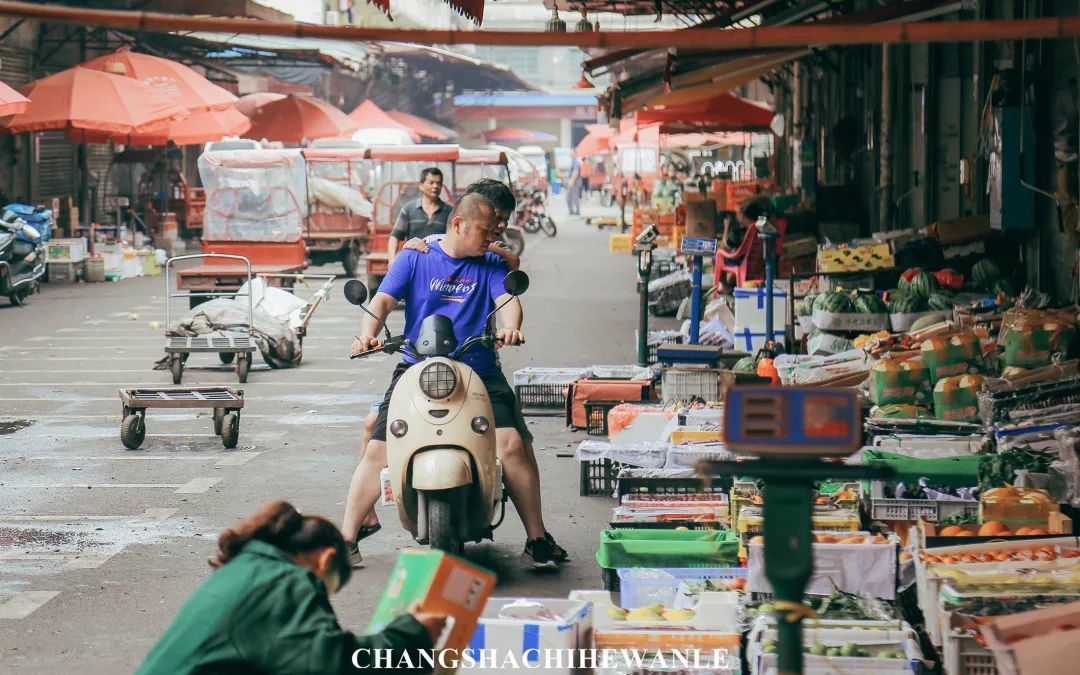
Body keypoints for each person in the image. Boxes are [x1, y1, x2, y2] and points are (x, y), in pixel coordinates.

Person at [343, 193, 564, 569]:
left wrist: (511, 328)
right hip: (416, 367)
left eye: (495, 231)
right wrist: (367, 333)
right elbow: (381, 301)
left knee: (510, 445)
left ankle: (537, 537)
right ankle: (346, 537)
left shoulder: (491, 262)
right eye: (484, 230)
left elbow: (508, 300)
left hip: (478, 369)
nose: (491, 238)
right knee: (379, 448)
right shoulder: (416, 256)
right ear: (458, 224)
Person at [137, 500, 445, 675]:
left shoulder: (248, 570)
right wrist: (413, 635)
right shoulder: (284, 582)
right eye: (327, 590)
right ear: (324, 561)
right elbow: (331, 665)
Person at [388, 167, 451, 267]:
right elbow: (395, 236)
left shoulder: (450, 212)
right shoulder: (408, 209)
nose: (435, 186)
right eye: (431, 182)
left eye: (439, 183)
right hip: (413, 264)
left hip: (440, 266)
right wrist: (391, 260)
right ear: (421, 185)